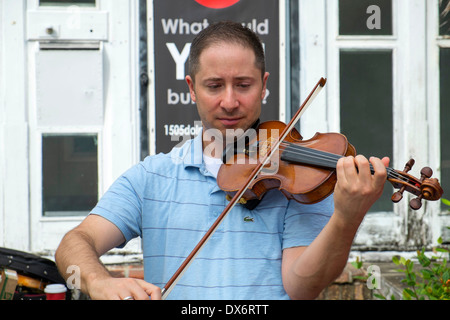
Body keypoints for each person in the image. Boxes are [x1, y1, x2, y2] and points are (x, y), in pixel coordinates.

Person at [55, 21, 389, 300]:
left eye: (243, 85)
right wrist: (98, 281)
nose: (229, 102)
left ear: (263, 86)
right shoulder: (151, 178)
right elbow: (74, 243)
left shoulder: (302, 180)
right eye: (214, 86)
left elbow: (302, 287)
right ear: (191, 88)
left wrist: (346, 216)